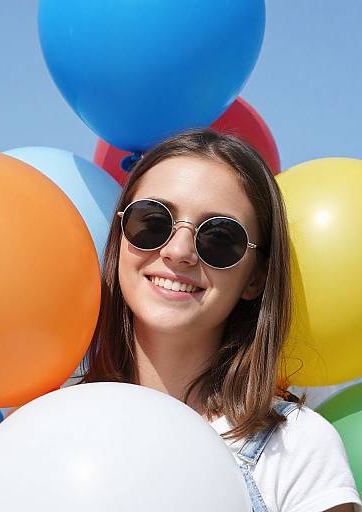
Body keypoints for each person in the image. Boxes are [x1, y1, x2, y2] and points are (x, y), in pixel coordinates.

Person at [71, 129, 361, 512]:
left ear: (255, 278)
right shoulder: (49, 422)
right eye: (152, 221)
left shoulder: (295, 448)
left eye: (221, 238)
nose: (178, 252)